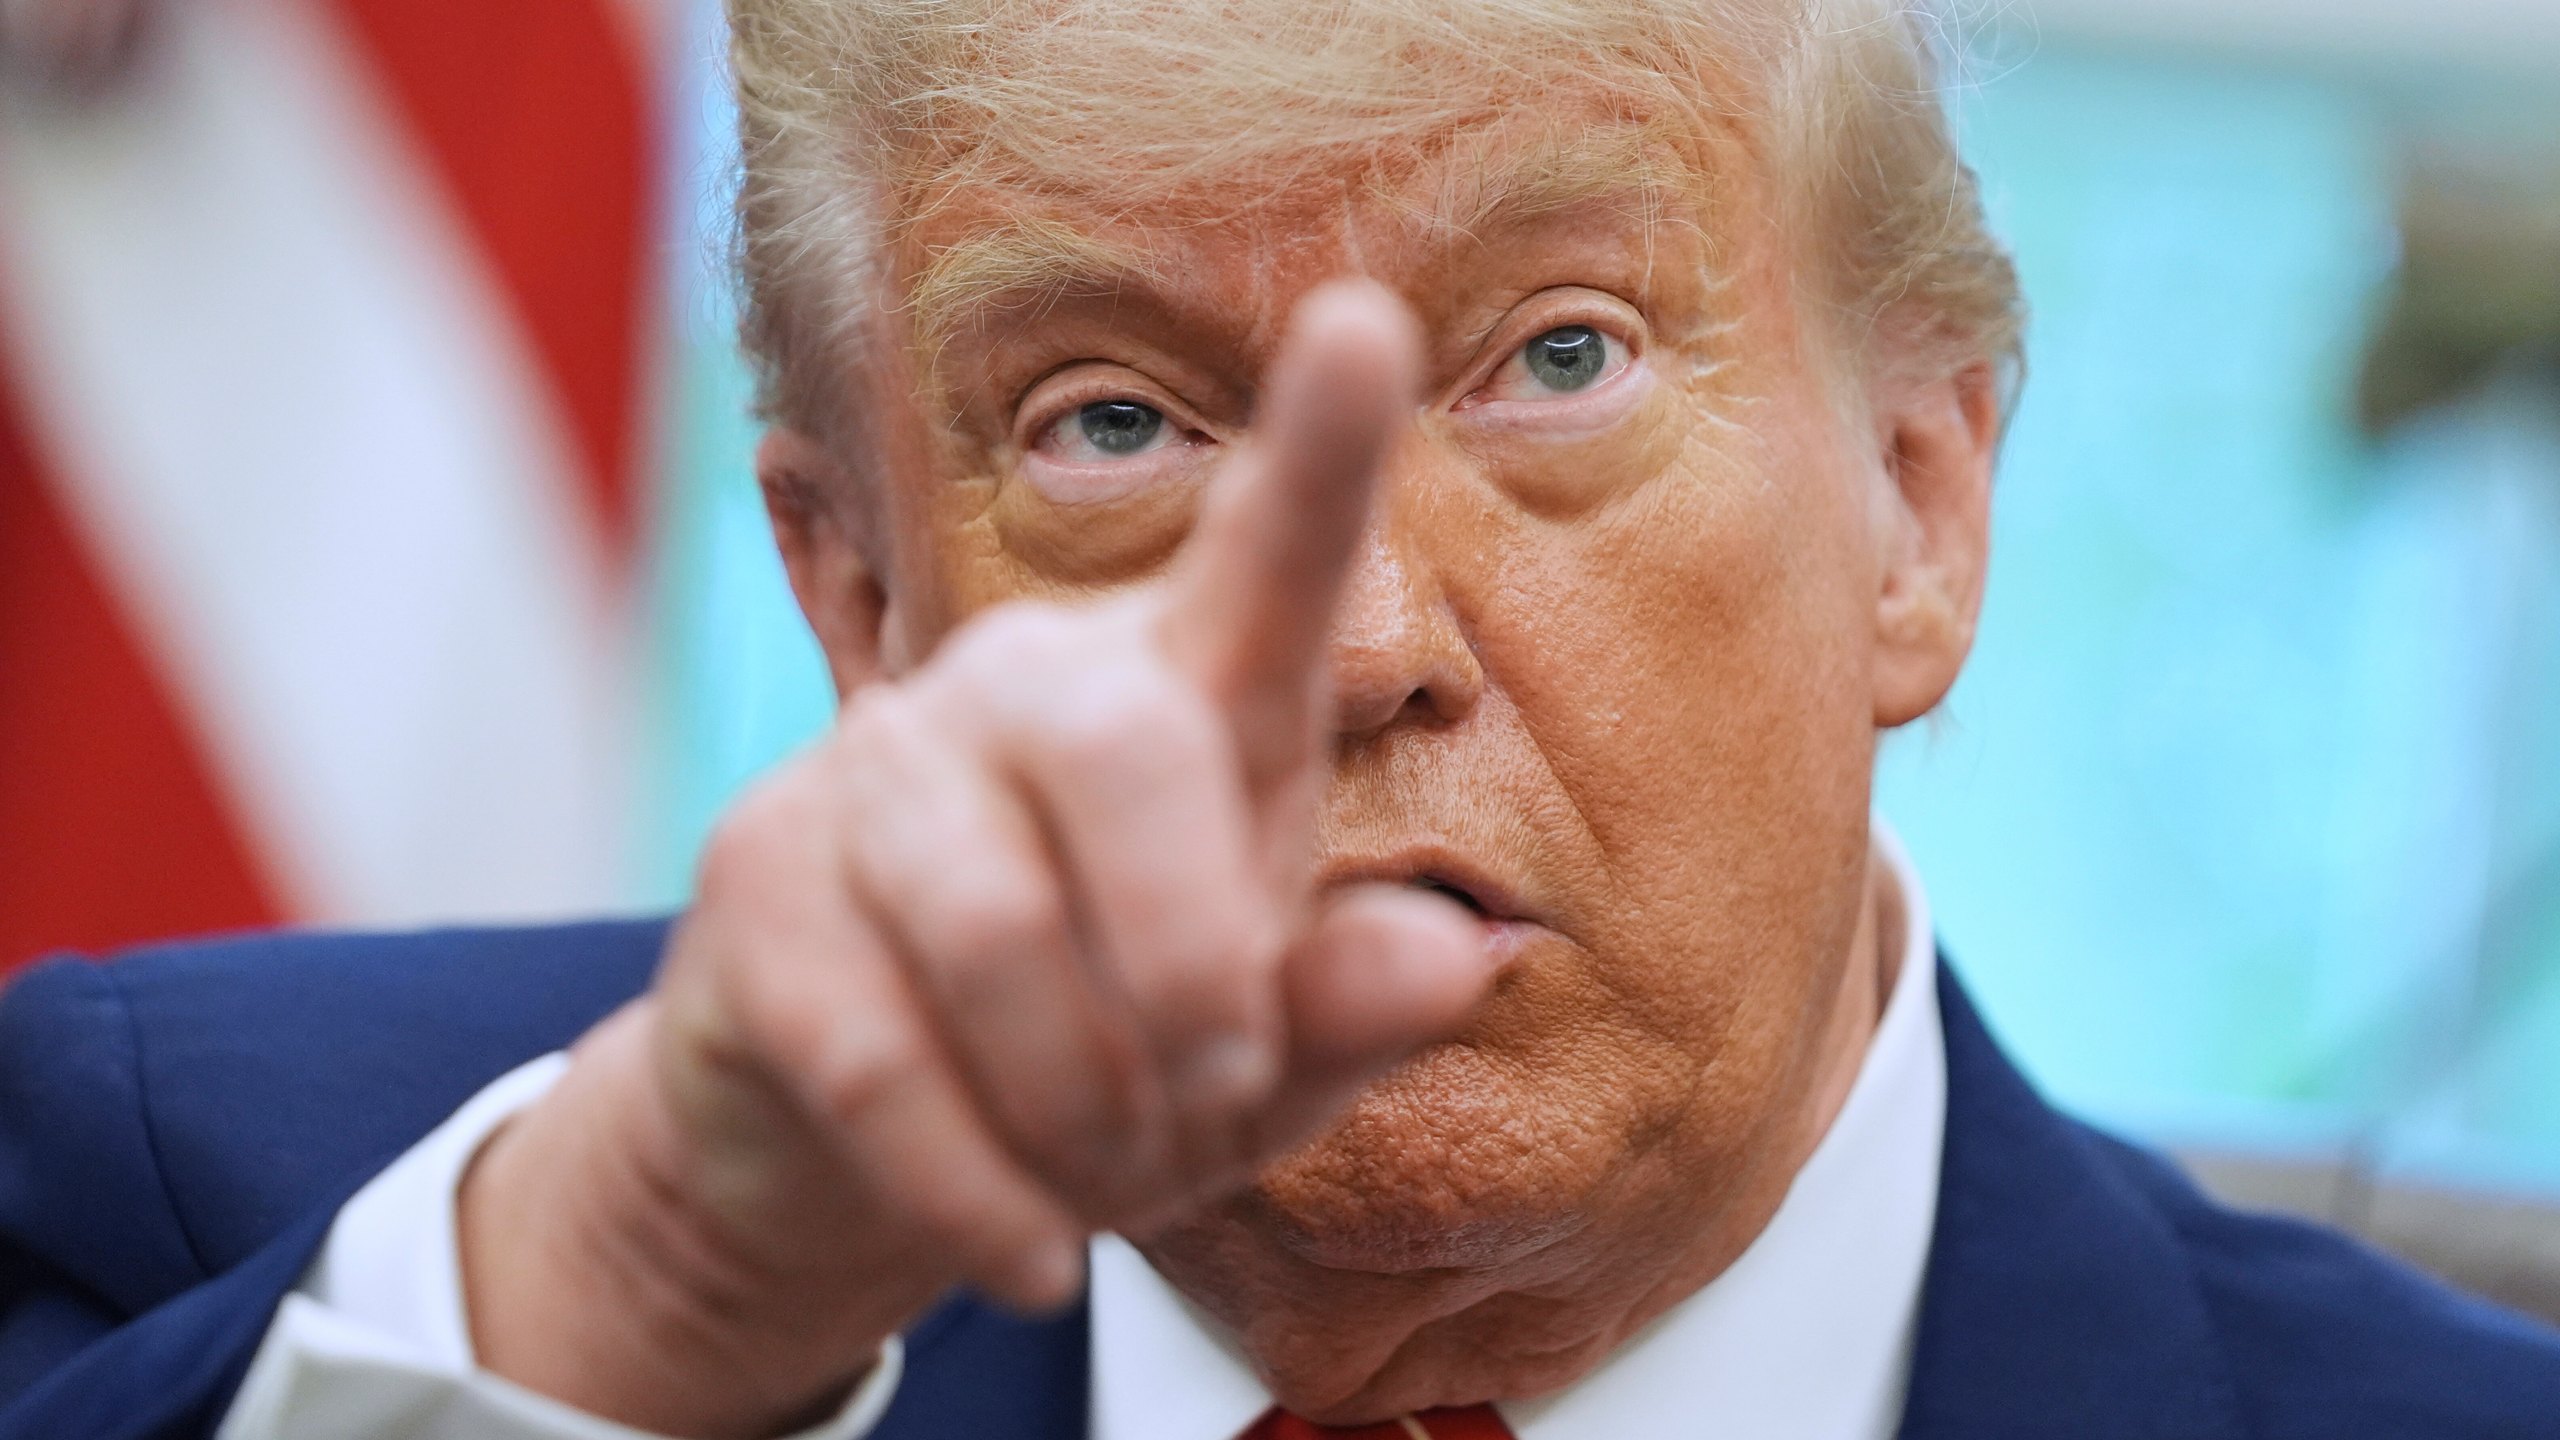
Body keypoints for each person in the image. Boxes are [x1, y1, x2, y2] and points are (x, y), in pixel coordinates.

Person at [6, 2, 2559, 1437]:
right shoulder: (213, 1207)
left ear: (1916, 502)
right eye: (1110, 420)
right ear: (862, 602)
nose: (1357, 647)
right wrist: (646, 1286)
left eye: (1556, 359)